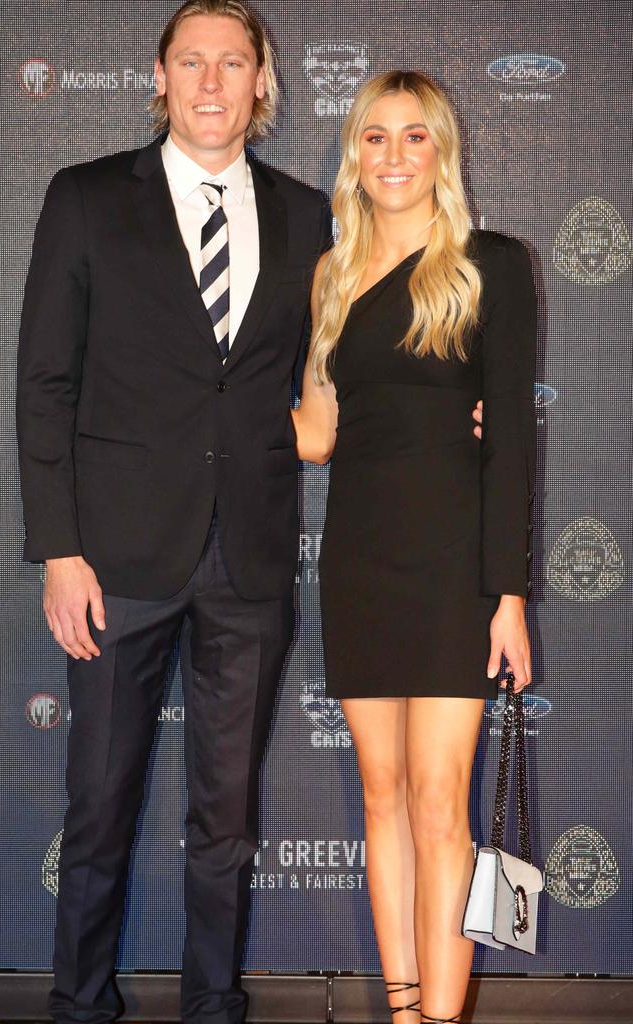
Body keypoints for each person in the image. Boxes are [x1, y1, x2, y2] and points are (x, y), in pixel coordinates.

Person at [16, 2, 332, 1022]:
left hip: (248, 558)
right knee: (99, 806)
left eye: (231, 62)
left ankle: (212, 1005)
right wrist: (59, 550)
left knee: (226, 817)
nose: (210, 82)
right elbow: (45, 385)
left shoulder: (309, 214)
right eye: (190, 61)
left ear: (260, 81)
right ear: (159, 77)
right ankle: (81, 1002)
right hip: (114, 558)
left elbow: (334, 373)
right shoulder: (87, 198)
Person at [291, 71, 536, 1024]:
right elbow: (316, 430)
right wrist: (198, 408)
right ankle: (402, 1013)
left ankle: (441, 1020)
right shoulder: (329, 274)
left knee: (441, 806)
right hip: (357, 557)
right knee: (382, 798)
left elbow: (513, 437)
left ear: (443, 151)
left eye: (414, 137)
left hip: (452, 566)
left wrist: (506, 595)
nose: (393, 156)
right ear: (354, 152)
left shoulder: (490, 265)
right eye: (375, 137)